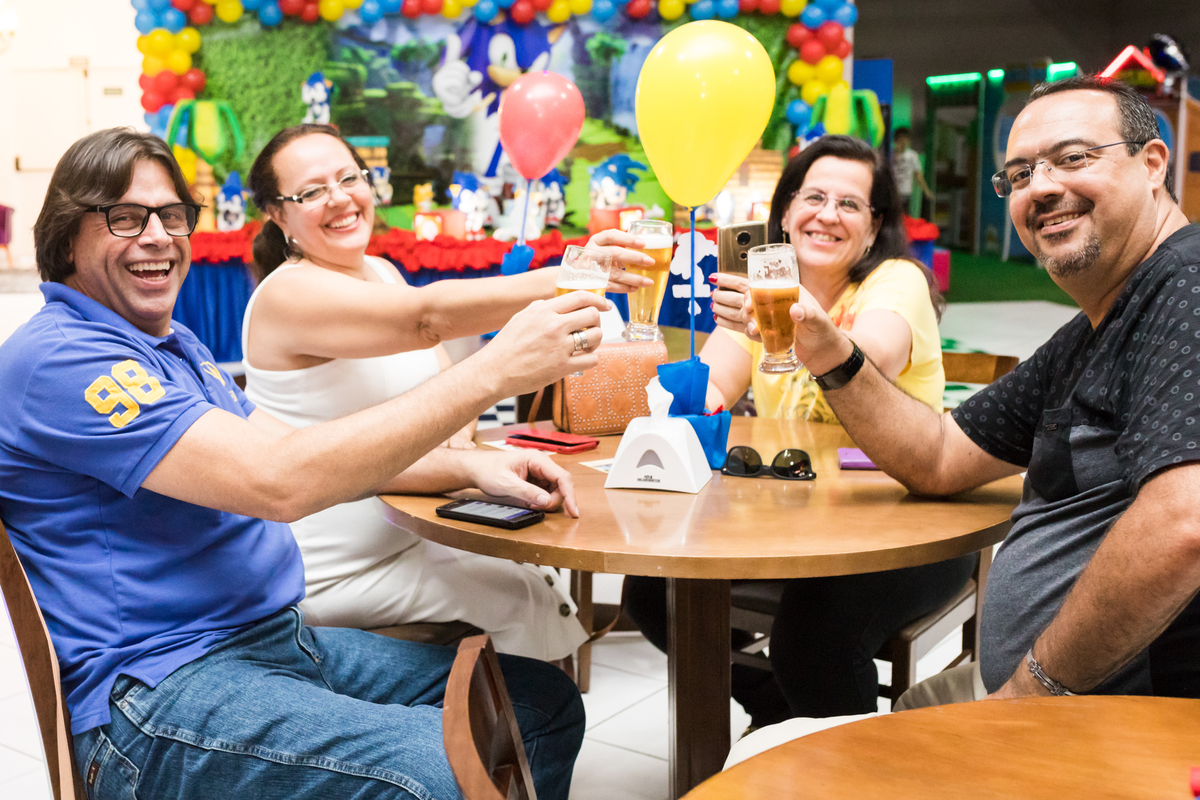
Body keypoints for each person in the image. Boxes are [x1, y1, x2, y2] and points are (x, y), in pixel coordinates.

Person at [0, 127, 598, 800]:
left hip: (273, 640)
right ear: (66, 238)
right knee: (438, 771)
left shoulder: (171, 343)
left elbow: (283, 441)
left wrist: (469, 469)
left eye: (171, 215)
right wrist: (493, 371)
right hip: (162, 689)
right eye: (126, 218)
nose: (159, 236)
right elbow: (278, 479)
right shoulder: (63, 357)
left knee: (540, 704)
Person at [777, 75, 1200, 709]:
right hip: (1049, 697)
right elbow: (938, 455)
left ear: (1152, 163)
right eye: (1021, 174)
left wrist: (1031, 692)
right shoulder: (1094, 330)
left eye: (1073, 158)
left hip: (1133, 721)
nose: (1042, 187)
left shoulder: (1187, 285)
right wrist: (829, 354)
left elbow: (1184, 523)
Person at [241, 123, 655, 661]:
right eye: (312, 191)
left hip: (412, 530)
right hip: (327, 569)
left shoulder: (381, 272)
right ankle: (517, 711)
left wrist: (464, 458)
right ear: (278, 214)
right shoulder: (288, 293)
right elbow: (427, 319)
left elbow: (447, 393)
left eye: (349, 178)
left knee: (528, 579)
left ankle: (525, 710)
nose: (339, 198)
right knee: (521, 596)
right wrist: (578, 273)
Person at [623, 135, 971, 728]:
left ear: (873, 226)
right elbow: (709, 390)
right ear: (785, 213)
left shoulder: (897, 281)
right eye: (814, 197)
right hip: (794, 522)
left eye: (849, 204)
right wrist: (649, 364)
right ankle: (779, 712)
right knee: (653, 592)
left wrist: (795, 322)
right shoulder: (761, 294)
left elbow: (872, 356)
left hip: (907, 526)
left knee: (812, 639)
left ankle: (844, 764)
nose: (827, 215)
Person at [892, 127, 933, 217]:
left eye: (905, 139)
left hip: (905, 192)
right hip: (892, 192)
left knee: (903, 215)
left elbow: (918, 174)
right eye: (900, 139)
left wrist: (926, 190)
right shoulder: (891, 154)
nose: (903, 141)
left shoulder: (912, 155)